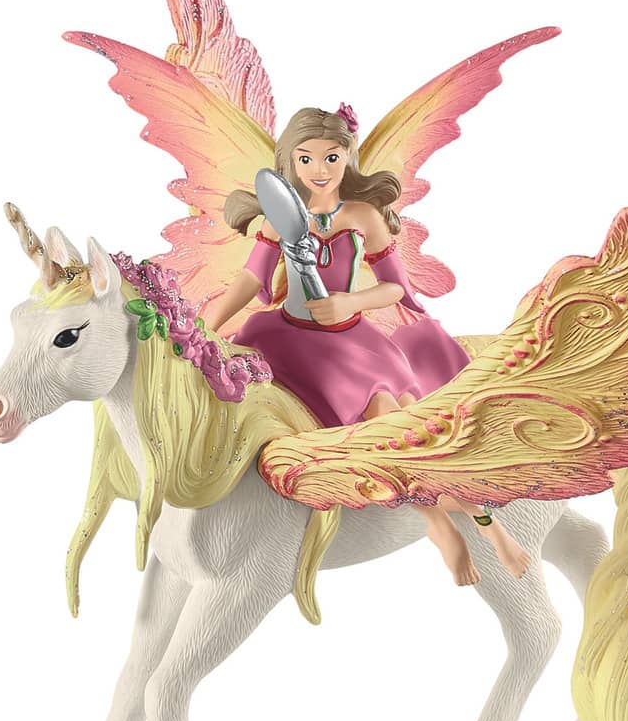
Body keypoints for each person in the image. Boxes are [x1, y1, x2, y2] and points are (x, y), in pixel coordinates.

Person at [204, 105, 531, 585]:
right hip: (290, 341)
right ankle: (438, 524)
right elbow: (250, 281)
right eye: (306, 159)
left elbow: (395, 288)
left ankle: (490, 525)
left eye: (331, 158)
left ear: (348, 158)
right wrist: (202, 328)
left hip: (352, 339)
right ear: (289, 161)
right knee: (381, 421)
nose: (319, 170)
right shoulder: (279, 219)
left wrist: (350, 301)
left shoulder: (363, 216)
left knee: (411, 421)